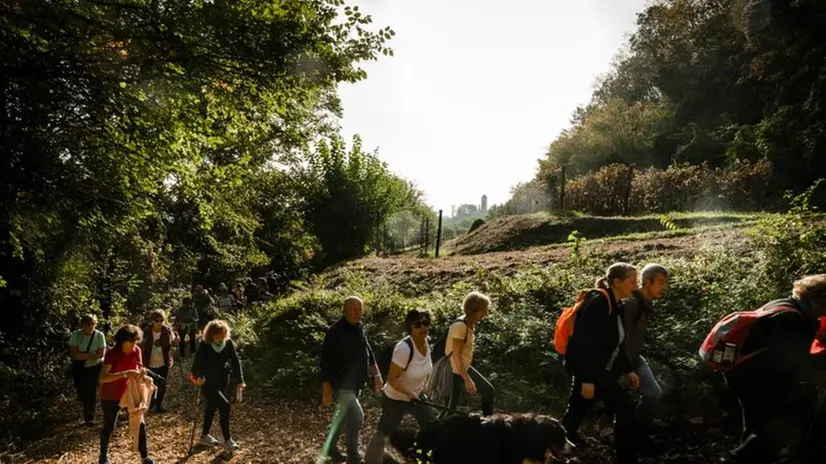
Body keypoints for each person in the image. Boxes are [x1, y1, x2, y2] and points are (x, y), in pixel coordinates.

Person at [722, 274, 826, 464]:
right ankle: (738, 460)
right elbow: (789, 360)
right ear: (816, 300)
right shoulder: (790, 318)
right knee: (768, 433)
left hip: (742, 373)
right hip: (757, 380)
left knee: (756, 426)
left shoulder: (783, 304)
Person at [561, 262, 640, 464]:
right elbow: (583, 344)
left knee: (578, 409)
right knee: (625, 408)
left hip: (600, 370)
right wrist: (587, 379)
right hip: (591, 371)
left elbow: (617, 342)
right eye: (632, 281)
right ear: (616, 282)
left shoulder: (617, 304)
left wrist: (628, 370)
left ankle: (557, 442)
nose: (636, 285)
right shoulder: (599, 303)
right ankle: (626, 456)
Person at [365, 309, 437, 464]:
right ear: (410, 326)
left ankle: (428, 458)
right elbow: (392, 379)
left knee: (432, 425)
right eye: (418, 324)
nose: (422, 327)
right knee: (384, 431)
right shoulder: (403, 349)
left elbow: (425, 368)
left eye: (426, 323)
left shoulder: (427, 341)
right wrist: (409, 394)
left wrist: (424, 387)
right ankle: (370, 460)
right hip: (395, 398)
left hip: (416, 396)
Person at [320, 296, 383, 464]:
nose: (357, 313)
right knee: (357, 416)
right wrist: (326, 388)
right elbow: (325, 361)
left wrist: (377, 375)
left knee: (344, 419)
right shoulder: (335, 331)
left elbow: (368, 352)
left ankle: (331, 447)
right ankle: (353, 457)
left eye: (360, 309)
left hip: (357, 384)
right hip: (342, 384)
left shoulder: (360, 328)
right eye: (353, 309)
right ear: (345, 310)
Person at [622, 263, 669, 444]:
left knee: (653, 393)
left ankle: (640, 435)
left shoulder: (645, 303)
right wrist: (627, 369)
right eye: (660, 282)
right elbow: (620, 339)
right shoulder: (631, 303)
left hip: (634, 358)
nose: (664, 287)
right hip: (623, 360)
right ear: (647, 282)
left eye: (665, 283)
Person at [98, 325, 156, 464]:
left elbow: (139, 367)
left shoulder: (136, 350)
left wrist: (143, 375)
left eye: (136, 341)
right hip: (110, 395)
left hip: (130, 392)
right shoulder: (112, 354)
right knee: (109, 426)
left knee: (139, 422)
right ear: (122, 341)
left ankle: (145, 456)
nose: (134, 345)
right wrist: (125, 374)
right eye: (131, 341)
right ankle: (103, 457)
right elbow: (103, 377)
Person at [190, 320, 246, 452]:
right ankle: (228, 440)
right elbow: (196, 366)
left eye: (222, 335)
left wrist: (240, 380)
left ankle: (204, 435)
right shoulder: (204, 345)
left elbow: (235, 361)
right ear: (211, 335)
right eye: (217, 336)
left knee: (212, 406)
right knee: (224, 405)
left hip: (222, 380)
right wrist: (197, 377)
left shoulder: (228, 343)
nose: (220, 339)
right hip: (208, 383)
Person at [444, 291, 495, 417]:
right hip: (453, 371)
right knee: (449, 409)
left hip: (461, 368)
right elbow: (456, 356)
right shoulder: (460, 326)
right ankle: (433, 433)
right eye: (484, 310)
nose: (486, 313)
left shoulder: (468, 324)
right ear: (475, 310)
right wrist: (467, 380)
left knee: (488, 391)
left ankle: (488, 425)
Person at [68, 314, 106, 426]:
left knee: (91, 392)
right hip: (79, 368)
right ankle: (86, 408)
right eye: (88, 324)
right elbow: (74, 354)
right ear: (82, 324)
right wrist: (90, 355)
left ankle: (89, 417)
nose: (90, 326)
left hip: (94, 367)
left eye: (93, 324)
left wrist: (83, 355)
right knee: (81, 391)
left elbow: (101, 354)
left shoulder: (99, 335)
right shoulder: (76, 335)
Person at [141, 309, 179, 413]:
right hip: (149, 362)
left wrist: (176, 342)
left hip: (163, 362)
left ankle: (159, 405)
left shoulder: (167, 331)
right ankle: (149, 404)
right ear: (152, 320)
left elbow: (172, 344)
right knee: (150, 384)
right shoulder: (146, 332)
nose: (159, 323)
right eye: (157, 320)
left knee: (162, 384)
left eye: (161, 320)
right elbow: (140, 345)